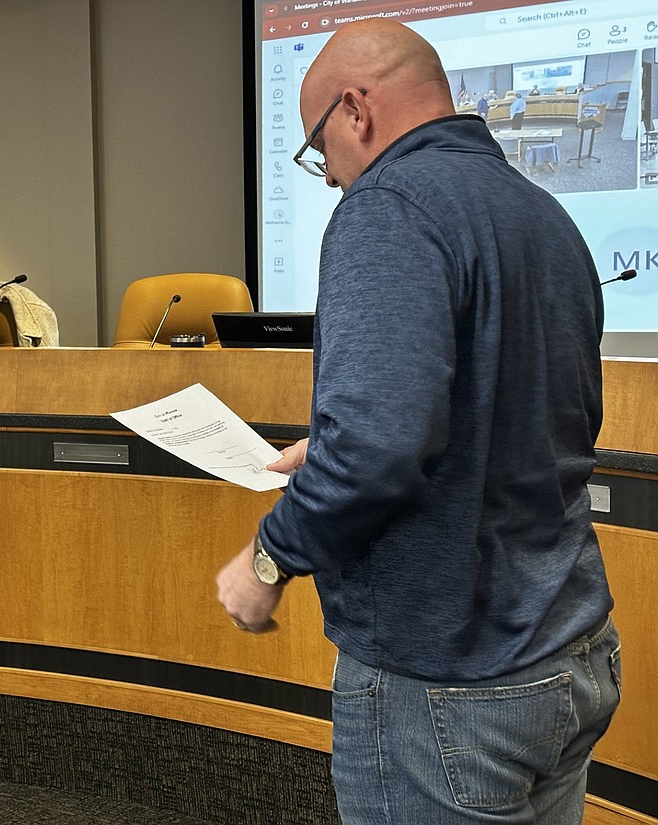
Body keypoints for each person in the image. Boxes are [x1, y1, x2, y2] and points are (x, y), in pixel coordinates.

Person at [218, 19, 619, 825]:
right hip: (568, 655)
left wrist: (268, 559)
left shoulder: (387, 208)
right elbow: (534, 418)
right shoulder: (545, 215)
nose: (328, 176)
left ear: (355, 110)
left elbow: (378, 448)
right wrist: (329, 450)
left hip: (450, 686)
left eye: (317, 148)